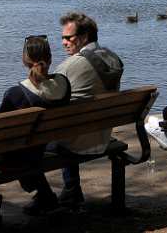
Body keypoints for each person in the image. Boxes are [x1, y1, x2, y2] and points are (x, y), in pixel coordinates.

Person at [53, 12, 124, 207]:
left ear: (84, 37)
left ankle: (47, 194)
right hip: (102, 134)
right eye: (62, 38)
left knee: (37, 141)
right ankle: (71, 189)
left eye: (68, 37)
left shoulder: (69, 66)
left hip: (78, 142)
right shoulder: (112, 58)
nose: (64, 42)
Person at [0, 35, 71, 215]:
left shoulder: (15, 94)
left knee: (12, 151)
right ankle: (45, 196)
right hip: (46, 144)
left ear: (24, 60)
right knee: (29, 147)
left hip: (23, 153)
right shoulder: (64, 85)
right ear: (50, 59)